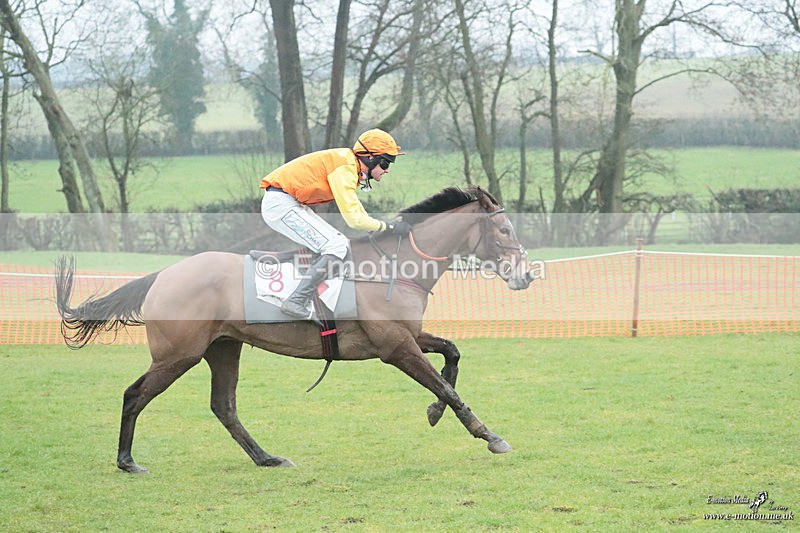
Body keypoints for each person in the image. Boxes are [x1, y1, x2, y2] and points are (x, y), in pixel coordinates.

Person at [260, 128, 412, 320]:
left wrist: (382, 226)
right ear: (370, 157)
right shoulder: (345, 168)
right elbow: (355, 220)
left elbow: (357, 214)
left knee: (339, 244)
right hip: (280, 204)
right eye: (385, 162)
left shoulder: (348, 164)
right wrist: (388, 227)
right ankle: (296, 301)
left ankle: (306, 290)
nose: (387, 169)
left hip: (288, 202)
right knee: (336, 245)